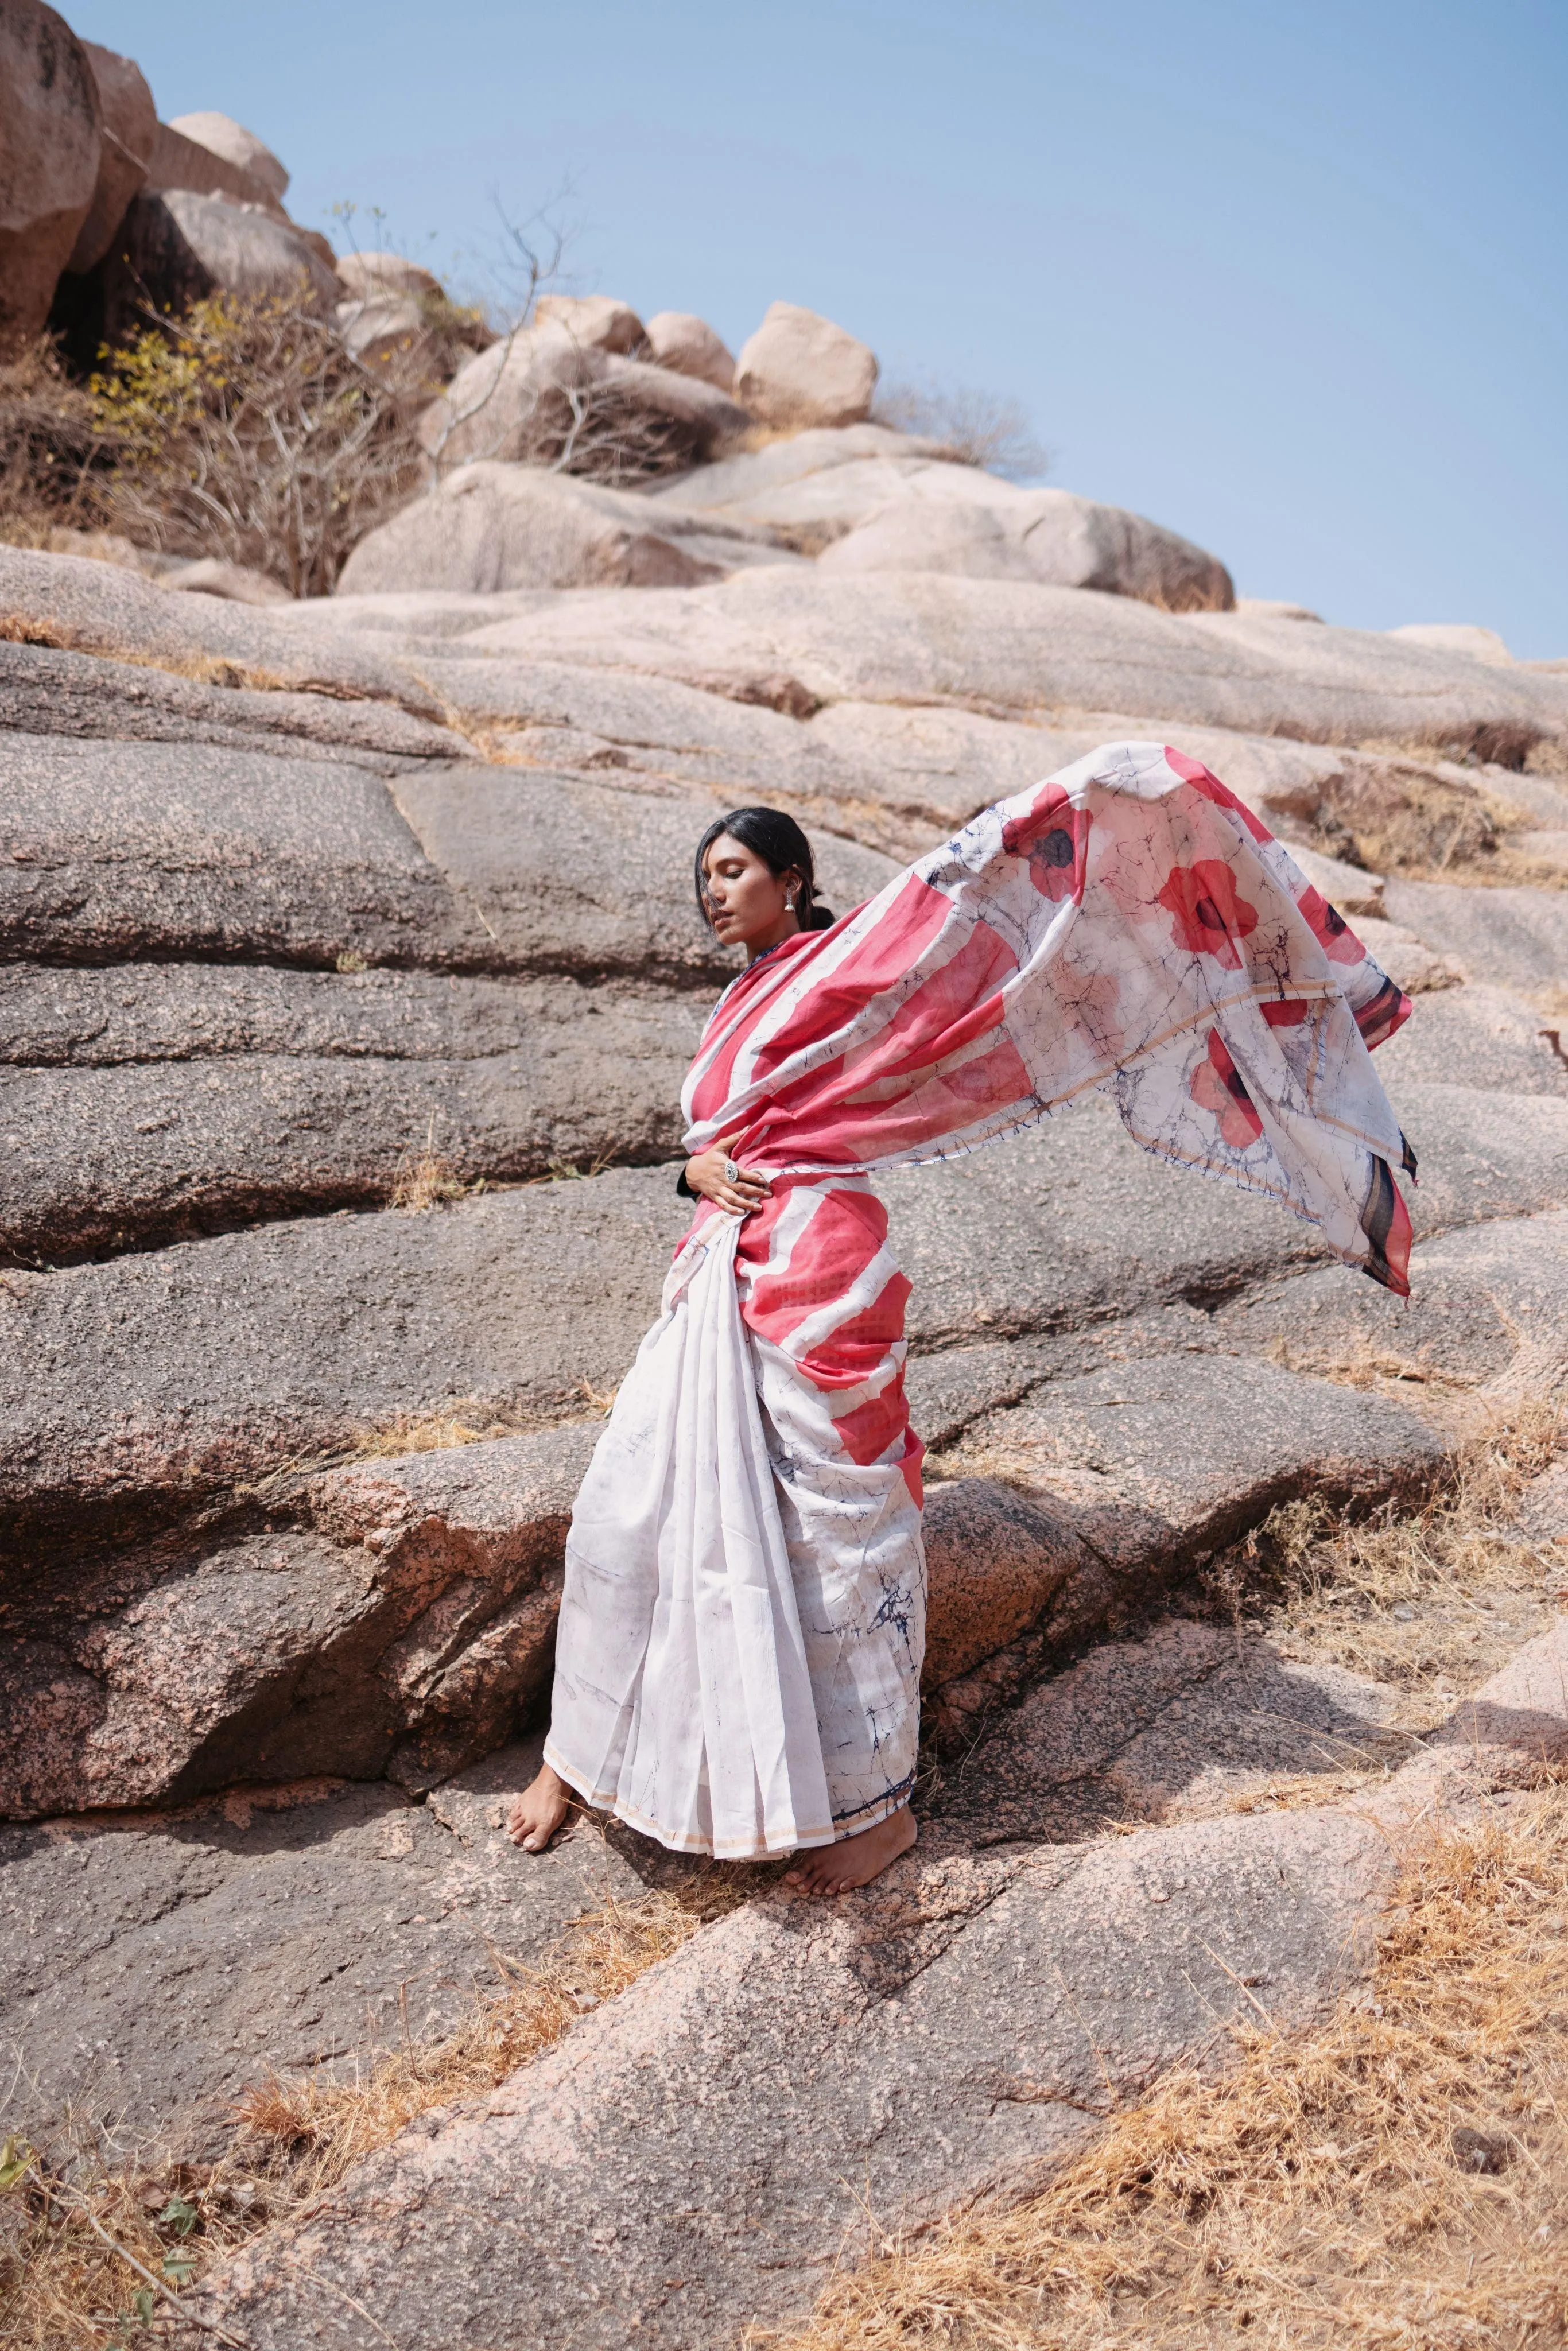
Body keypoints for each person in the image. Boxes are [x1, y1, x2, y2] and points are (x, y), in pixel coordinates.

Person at [507, 743, 1415, 1891]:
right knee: (629, 1513)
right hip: (714, 1274)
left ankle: (866, 1813)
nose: (713, 889)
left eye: (735, 868)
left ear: (792, 879)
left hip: (815, 1271)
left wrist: (1089, 797)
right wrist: (693, 1174)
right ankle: (580, 1760)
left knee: (834, 1540)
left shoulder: (847, 958)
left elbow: (960, 913)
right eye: (706, 874)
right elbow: (715, 1139)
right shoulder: (735, 999)